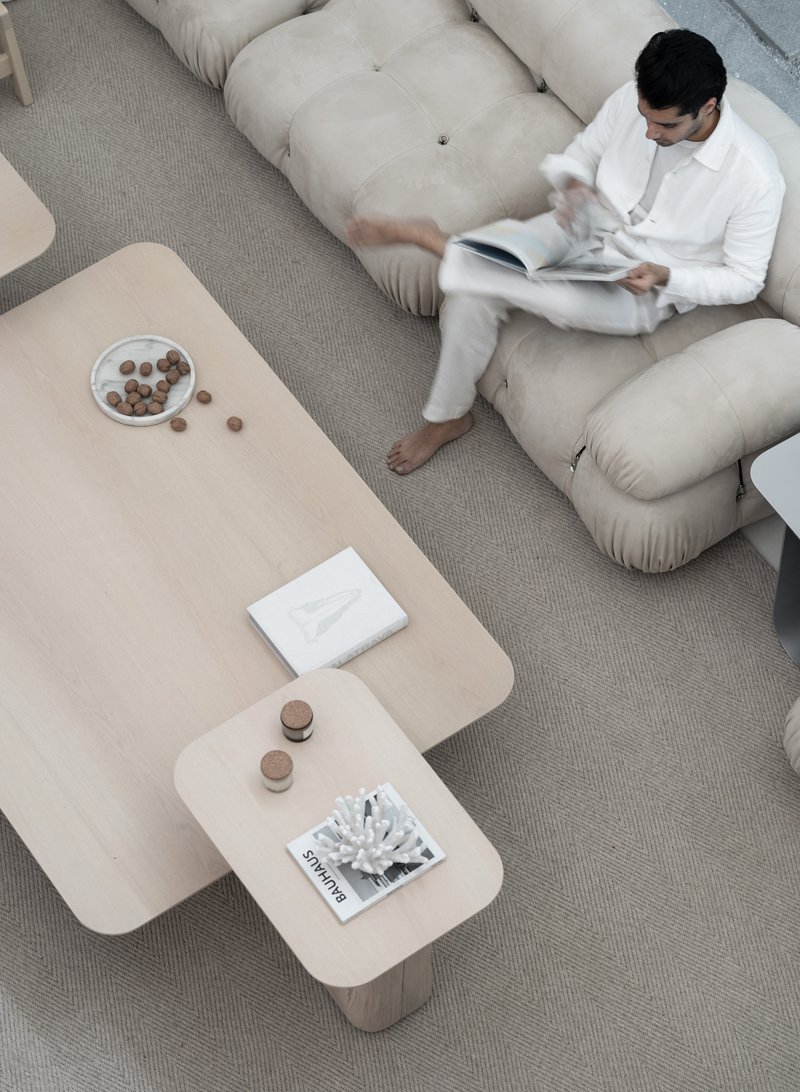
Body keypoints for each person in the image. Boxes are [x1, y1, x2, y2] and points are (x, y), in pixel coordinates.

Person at [346, 29, 785, 475]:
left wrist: (665, 275)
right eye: (644, 117)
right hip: (587, 224)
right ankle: (447, 417)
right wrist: (575, 187)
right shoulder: (635, 103)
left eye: (666, 125)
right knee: (471, 294)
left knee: (551, 295)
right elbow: (584, 153)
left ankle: (443, 243)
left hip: (641, 283)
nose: (649, 131)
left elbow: (746, 279)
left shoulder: (754, 178)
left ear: (707, 106)